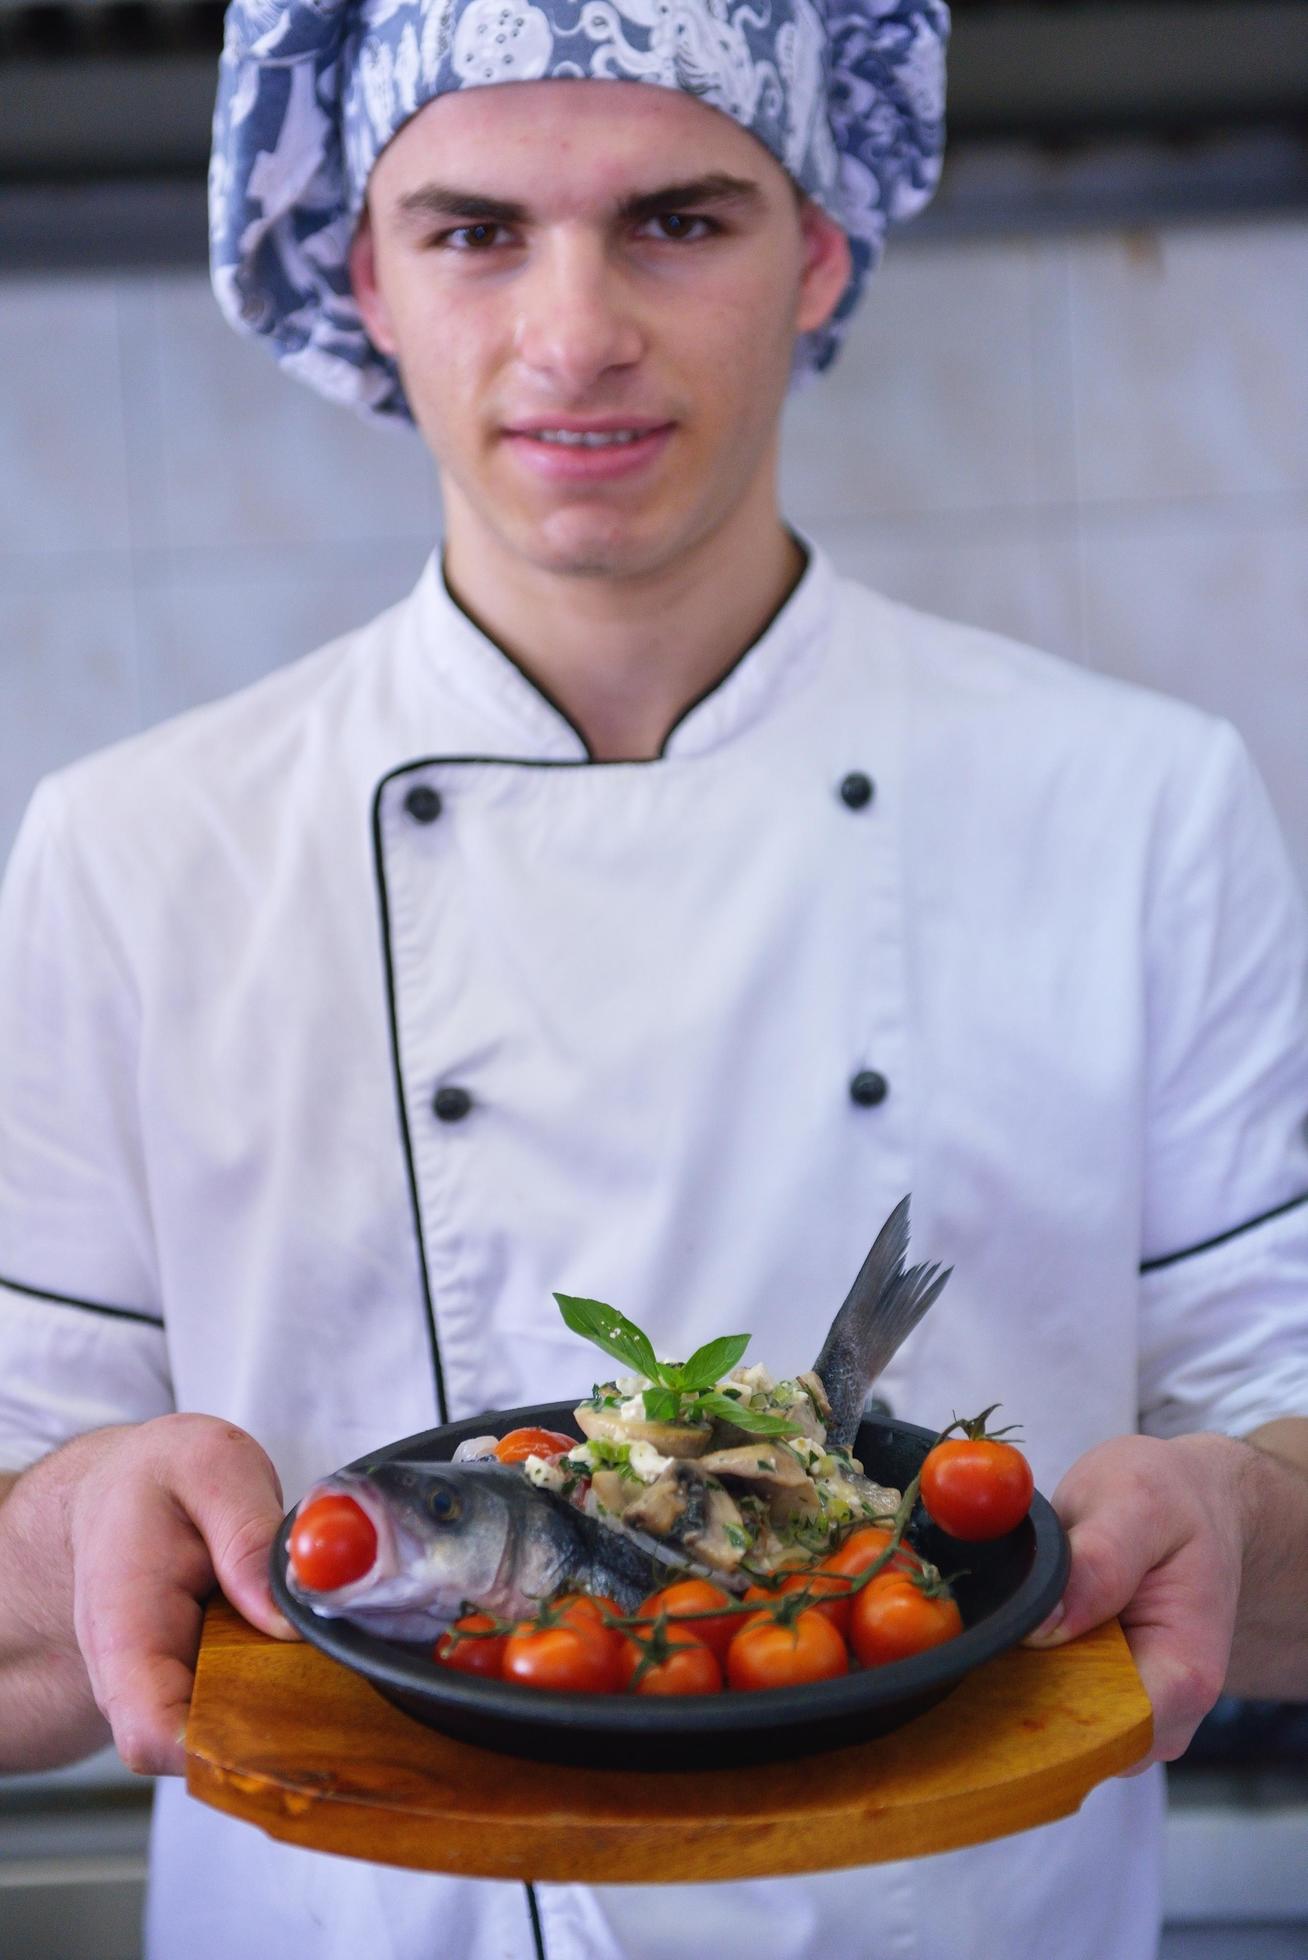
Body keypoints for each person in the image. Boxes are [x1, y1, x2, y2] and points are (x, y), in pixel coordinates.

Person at [1, 1, 1307, 1955]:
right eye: (474, 232)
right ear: (365, 272)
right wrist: (68, 1539)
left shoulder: (1138, 799)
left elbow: (1280, 1438)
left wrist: (1246, 1518)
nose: (577, 330)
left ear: (823, 255)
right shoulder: (135, 848)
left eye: (680, 222)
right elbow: (19, 1652)